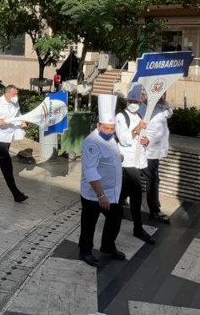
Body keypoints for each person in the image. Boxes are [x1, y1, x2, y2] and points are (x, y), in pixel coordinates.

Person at [78, 94, 125, 268]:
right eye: (106, 129)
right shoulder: (92, 142)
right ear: (98, 126)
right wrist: (101, 195)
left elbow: (109, 154)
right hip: (95, 194)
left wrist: (117, 157)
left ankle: (107, 246)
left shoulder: (110, 137)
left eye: (112, 129)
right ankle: (85, 251)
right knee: (89, 223)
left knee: (116, 217)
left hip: (111, 192)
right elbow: (90, 170)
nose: (109, 132)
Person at [115, 84, 155, 245]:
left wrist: (146, 141)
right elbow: (124, 139)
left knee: (126, 194)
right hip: (127, 162)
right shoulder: (120, 117)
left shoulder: (139, 116)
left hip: (138, 162)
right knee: (136, 193)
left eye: (136, 101)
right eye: (131, 100)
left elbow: (143, 139)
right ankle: (137, 227)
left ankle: (111, 211)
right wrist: (138, 129)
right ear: (127, 101)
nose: (134, 103)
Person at [141, 95, 173, 224]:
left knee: (152, 179)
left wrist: (163, 102)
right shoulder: (141, 109)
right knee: (150, 179)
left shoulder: (160, 107)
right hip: (145, 151)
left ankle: (120, 201)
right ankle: (154, 211)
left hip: (155, 152)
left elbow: (169, 113)